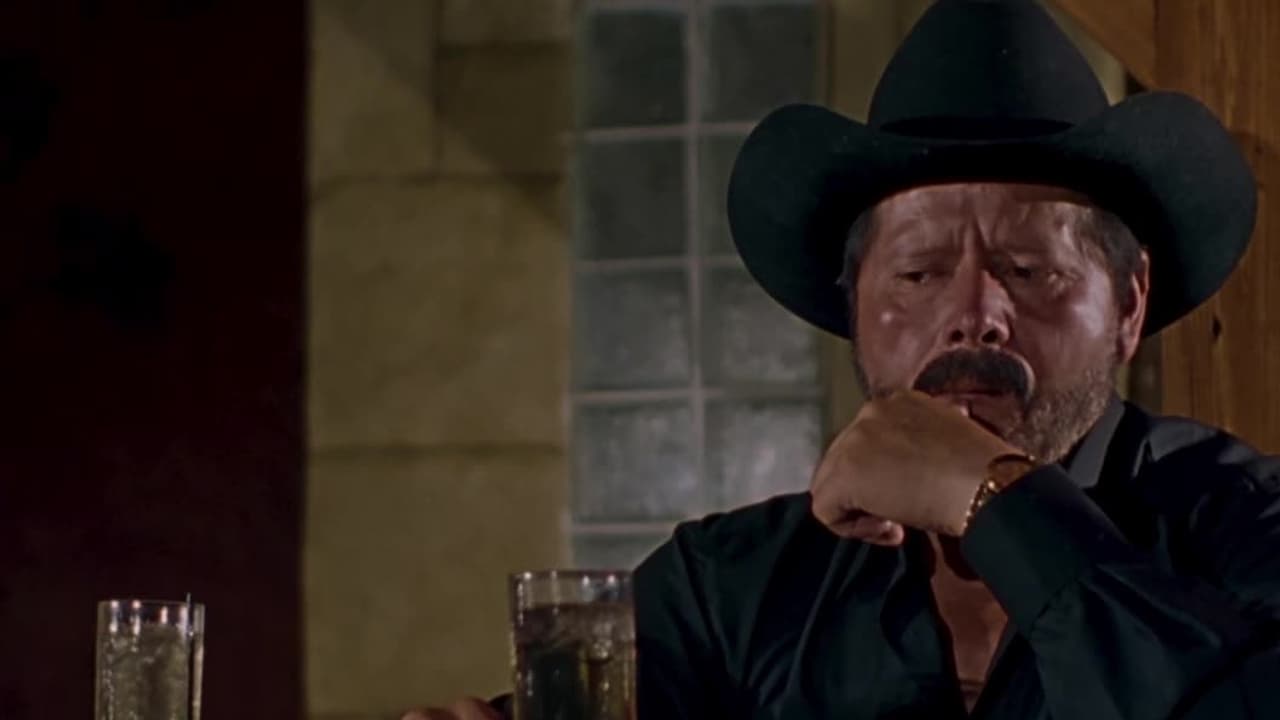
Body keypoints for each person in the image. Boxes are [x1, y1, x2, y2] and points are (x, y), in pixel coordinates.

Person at [405, 0, 1280, 717]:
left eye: (1029, 270)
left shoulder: (1245, 525)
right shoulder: (730, 591)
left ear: (1128, 306)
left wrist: (991, 498)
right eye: (919, 273)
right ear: (853, 308)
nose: (975, 316)